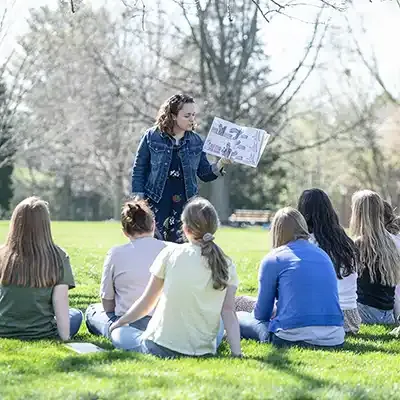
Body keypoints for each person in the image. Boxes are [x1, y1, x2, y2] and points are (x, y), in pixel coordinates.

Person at [109, 197, 242, 358]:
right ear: (214, 227)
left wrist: (119, 323)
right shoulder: (226, 263)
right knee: (218, 322)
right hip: (203, 351)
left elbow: (147, 302)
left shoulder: (171, 253)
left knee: (119, 333)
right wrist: (237, 353)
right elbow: (228, 312)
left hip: (159, 346)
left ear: (185, 228)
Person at [237, 207, 345, 349]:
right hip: (334, 336)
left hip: (291, 336)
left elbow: (262, 314)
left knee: (238, 317)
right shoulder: (323, 255)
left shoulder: (274, 258)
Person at [131, 94, 230, 243]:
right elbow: (139, 168)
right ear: (173, 116)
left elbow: (204, 173)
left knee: (181, 245)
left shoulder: (196, 141)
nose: (192, 119)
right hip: (156, 200)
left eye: (193, 115)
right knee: (155, 244)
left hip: (185, 203)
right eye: (187, 115)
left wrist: (221, 163)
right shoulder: (151, 136)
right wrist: (139, 197)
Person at [0, 197, 82, 340]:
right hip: (41, 332)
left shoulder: (2, 254)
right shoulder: (59, 256)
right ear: (45, 225)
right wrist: (65, 339)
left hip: (3, 330)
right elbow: (60, 302)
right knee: (76, 314)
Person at [85, 198, 167, 337]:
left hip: (128, 323)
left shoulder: (115, 253)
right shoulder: (172, 249)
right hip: (165, 322)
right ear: (153, 225)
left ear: (125, 231)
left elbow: (107, 304)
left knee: (92, 311)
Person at [297, 188, 360, 334]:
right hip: (351, 318)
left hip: (326, 316)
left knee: (242, 303)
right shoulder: (344, 241)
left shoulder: (308, 244)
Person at [350, 190, 400, 324]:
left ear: (358, 214)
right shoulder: (391, 242)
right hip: (387, 314)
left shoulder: (359, 244)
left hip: (365, 313)